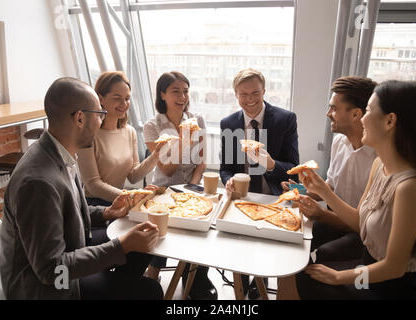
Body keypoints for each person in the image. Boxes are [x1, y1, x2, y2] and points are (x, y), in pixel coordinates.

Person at [0, 77, 163, 300]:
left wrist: (105, 213)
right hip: (45, 289)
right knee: (150, 291)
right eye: (99, 114)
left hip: (65, 259)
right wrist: (119, 247)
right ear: (79, 118)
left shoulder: (58, 153)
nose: (101, 121)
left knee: (139, 248)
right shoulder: (38, 182)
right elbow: (52, 271)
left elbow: (64, 213)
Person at [277, 80, 416, 300]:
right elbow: (359, 221)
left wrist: (338, 277)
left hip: (390, 288)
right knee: (306, 274)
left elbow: (394, 268)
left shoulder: (410, 187)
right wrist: (321, 190)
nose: (362, 118)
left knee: (311, 280)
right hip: (369, 270)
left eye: (369, 111)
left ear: (390, 121)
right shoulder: (379, 165)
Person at [282, 76, 377, 263]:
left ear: (356, 114)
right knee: (289, 235)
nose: (328, 113)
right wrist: (302, 190)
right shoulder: (339, 142)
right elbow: (331, 187)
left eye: (334, 108)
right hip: (334, 218)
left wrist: (322, 215)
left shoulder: (379, 158)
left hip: (363, 231)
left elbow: (363, 223)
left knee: (327, 253)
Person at [143, 71, 216, 300]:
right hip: (163, 189)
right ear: (162, 94)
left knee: (201, 231)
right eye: (176, 91)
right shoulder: (152, 126)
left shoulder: (197, 120)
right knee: (163, 233)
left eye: (185, 91)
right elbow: (165, 169)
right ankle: (151, 274)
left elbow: (201, 161)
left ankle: (195, 278)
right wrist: (183, 141)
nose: (183, 96)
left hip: (192, 187)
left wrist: (192, 187)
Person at [77, 71, 161, 207]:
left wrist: (156, 156)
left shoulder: (130, 132)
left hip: (121, 199)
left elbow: (133, 176)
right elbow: (93, 185)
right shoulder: (88, 134)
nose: (124, 103)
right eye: (117, 98)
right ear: (100, 99)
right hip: (95, 206)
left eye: (127, 98)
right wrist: (130, 195)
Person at [220, 68, 299, 197]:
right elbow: (226, 169)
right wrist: (228, 180)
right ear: (236, 95)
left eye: (255, 93)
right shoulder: (228, 124)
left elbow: (294, 169)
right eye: (243, 94)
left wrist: (271, 164)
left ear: (264, 91)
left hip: (274, 197)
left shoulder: (285, 120)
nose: (250, 99)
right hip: (241, 196)